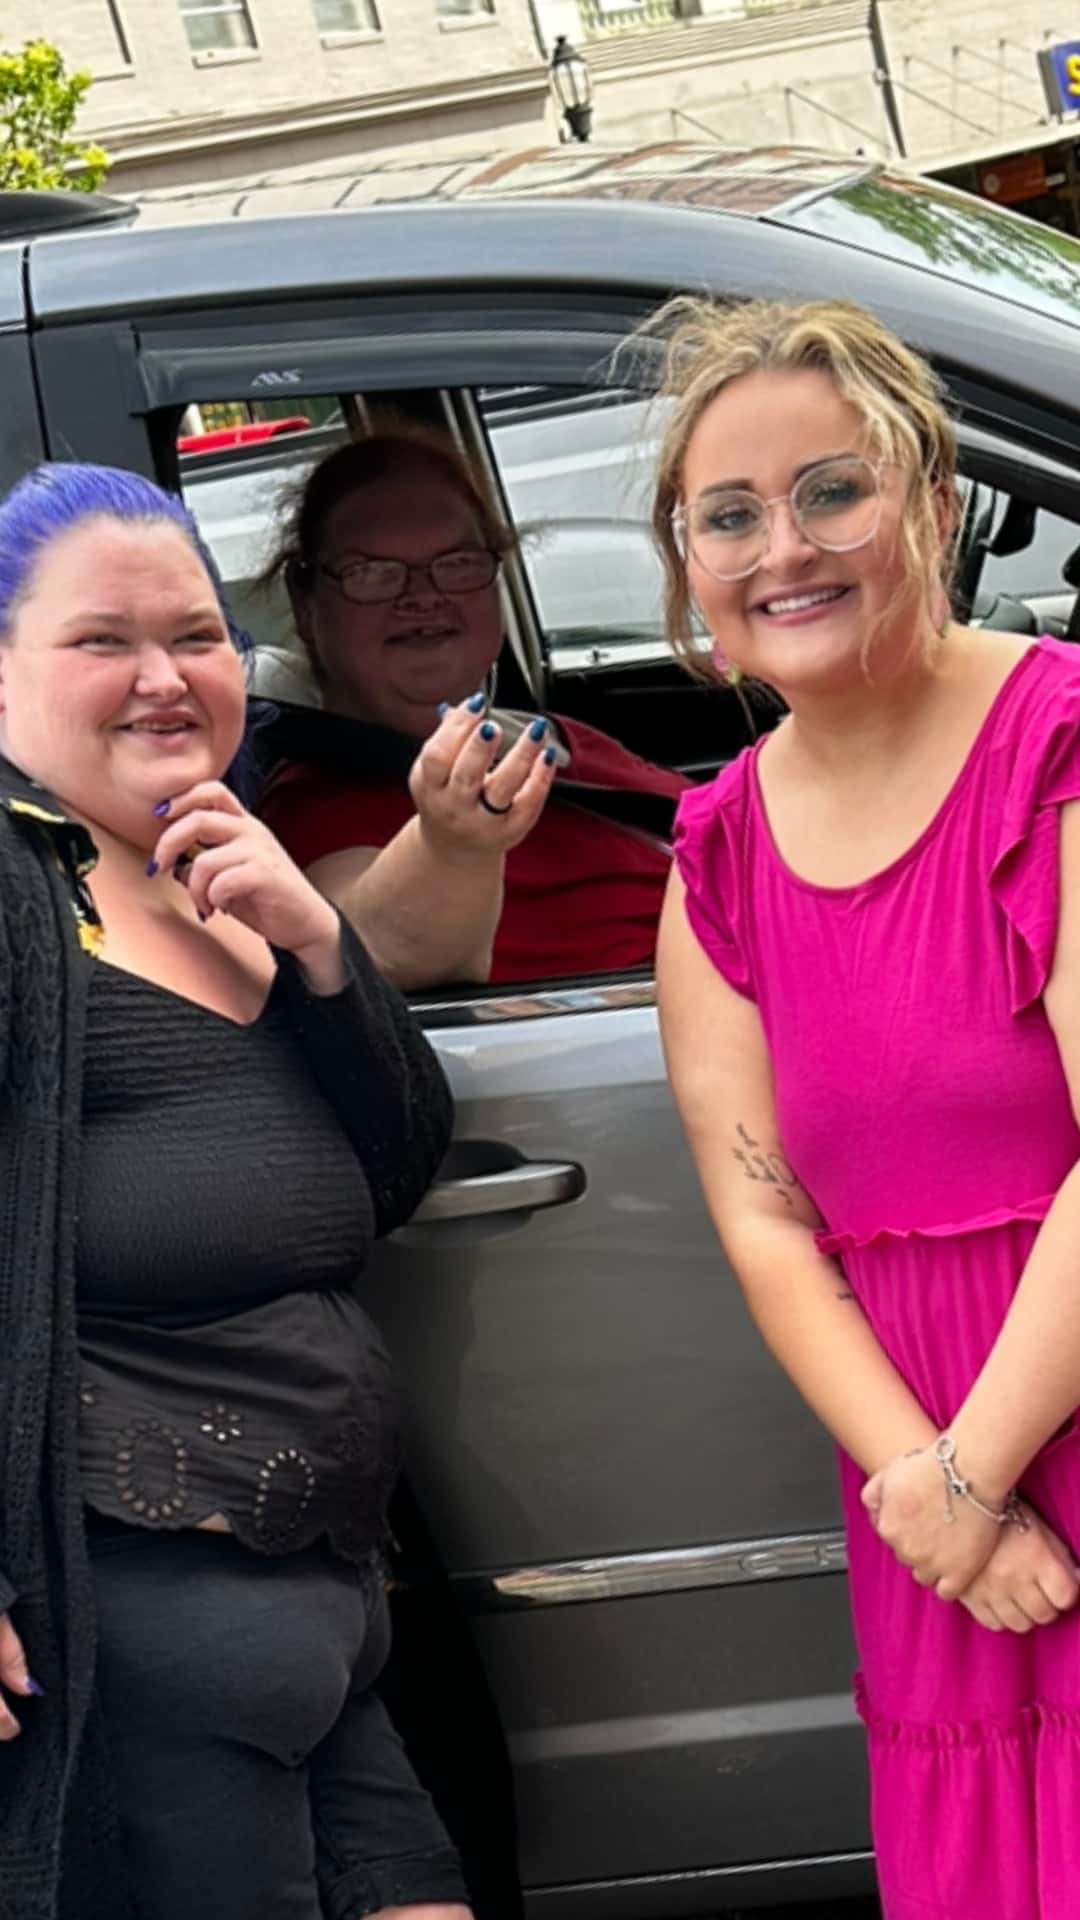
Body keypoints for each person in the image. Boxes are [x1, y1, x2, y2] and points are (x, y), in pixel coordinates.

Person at [654, 296, 1080, 1920]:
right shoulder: (720, 858)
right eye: (732, 515)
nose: (786, 548)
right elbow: (765, 1220)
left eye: (831, 489)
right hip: (919, 1477)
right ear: (689, 565)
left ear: (933, 496)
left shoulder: (1056, 746)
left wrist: (971, 1484)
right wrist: (935, 1495)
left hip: (1005, 1439)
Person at [0, 461, 474, 1920]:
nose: (164, 677)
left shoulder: (213, 867)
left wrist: (321, 950)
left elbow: (390, 1170)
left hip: (326, 1602)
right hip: (133, 1636)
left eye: (197, 634)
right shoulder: (22, 907)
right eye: (102, 641)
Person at [258, 425, 689, 987]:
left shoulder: (549, 738)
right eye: (372, 572)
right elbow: (366, 946)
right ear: (306, 601)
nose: (421, 595)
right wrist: (451, 846)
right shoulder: (312, 808)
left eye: (456, 562)